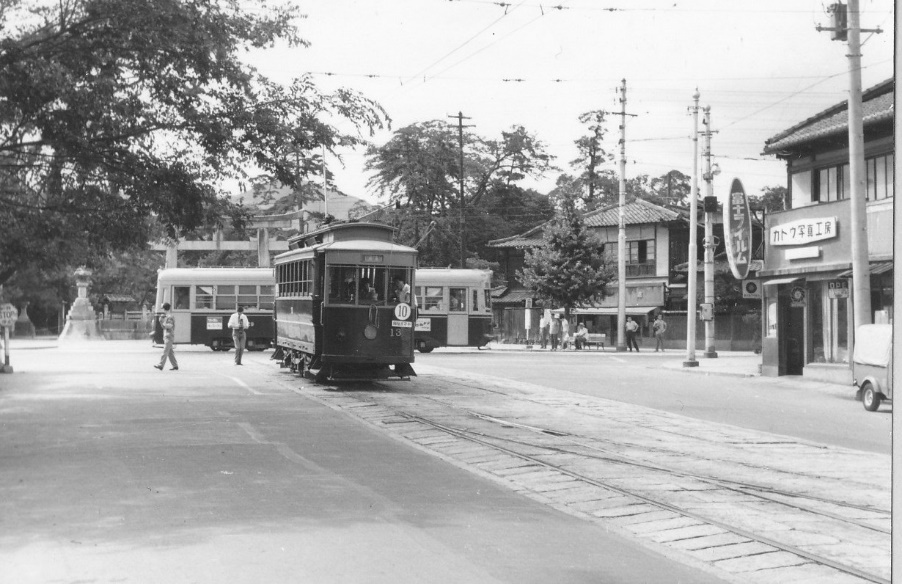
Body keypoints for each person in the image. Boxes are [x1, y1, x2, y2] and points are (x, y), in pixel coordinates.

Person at [154, 302, 178, 371]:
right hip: (167, 336)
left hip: (169, 336)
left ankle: (161, 365)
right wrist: (161, 321)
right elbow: (164, 326)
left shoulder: (169, 317)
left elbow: (170, 326)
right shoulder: (167, 316)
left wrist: (162, 322)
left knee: (165, 351)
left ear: (164, 309)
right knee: (170, 352)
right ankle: (175, 365)